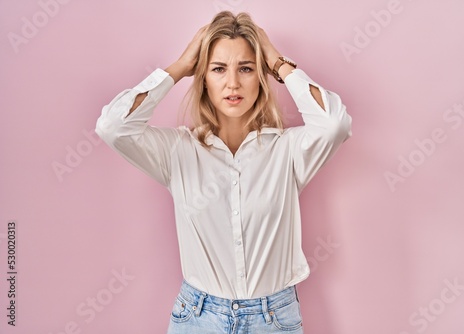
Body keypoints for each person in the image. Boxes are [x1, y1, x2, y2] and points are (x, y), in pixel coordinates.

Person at [96, 10, 352, 334]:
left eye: (246, 68)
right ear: (202, 76)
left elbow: (335, 124)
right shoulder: (178, 152)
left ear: (260, 75)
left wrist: (277, 63)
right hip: (198, 318)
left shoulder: (286, 151)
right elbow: (113, 126)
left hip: (274, 319)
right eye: (218, 69)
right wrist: (178, 68)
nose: (233, 83)